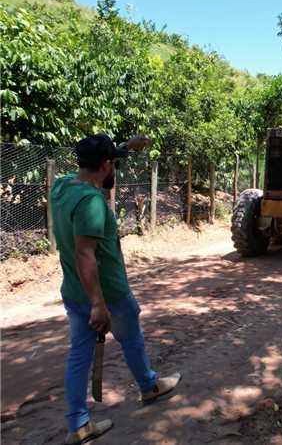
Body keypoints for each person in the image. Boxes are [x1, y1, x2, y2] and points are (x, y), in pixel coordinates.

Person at [51, 134, 181, 445]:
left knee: (79, 356)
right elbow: (86, 254)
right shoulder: (91, 202)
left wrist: (124, 147)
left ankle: (79, 425)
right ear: (107, 165)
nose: (115, 167)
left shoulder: (63, 185)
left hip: (73, 291)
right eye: (113, 162)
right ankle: (148, 387)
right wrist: (99, 304)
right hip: (106, 292)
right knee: (131, 335)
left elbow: (99, 160)